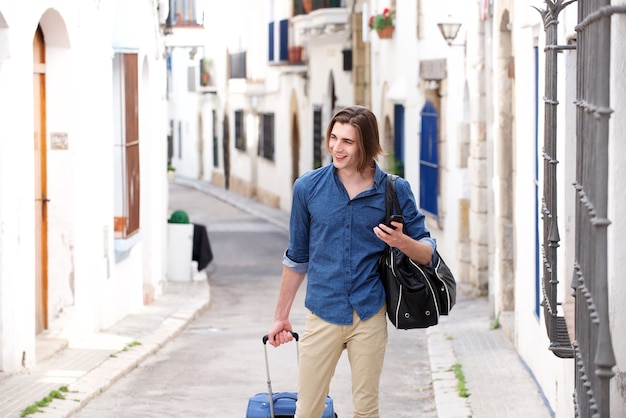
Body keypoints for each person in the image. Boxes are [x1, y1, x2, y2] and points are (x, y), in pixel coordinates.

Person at [267, 105, 435, 418]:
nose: (336, 147)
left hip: (369, 312)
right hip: (322, 312)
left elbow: (427, 253)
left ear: (367, 145)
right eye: (333, 137)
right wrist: (281, 316)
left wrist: (400, 241)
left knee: (366, 410)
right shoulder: (308, 188)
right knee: (307, 410)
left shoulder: (394, 190)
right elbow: (297, 257)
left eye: (348, 141)